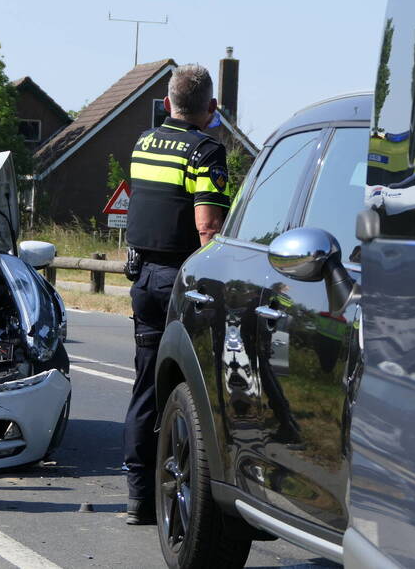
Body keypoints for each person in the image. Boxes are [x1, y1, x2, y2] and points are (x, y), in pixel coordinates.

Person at [122, 64, 231, 524]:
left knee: (147, 385)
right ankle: (192, 497)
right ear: (210, 107)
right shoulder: (206, 151)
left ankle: (139, 495)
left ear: (167, 103)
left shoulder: (143, 144)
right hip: (179, 281)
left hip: (143, 278)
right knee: (190, 392)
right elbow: (207, 228)